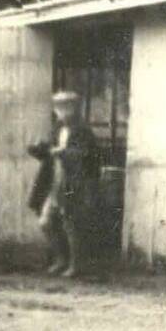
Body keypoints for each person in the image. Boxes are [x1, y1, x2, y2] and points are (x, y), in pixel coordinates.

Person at [27, 90, 101, 278]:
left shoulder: (83, 131)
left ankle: (76, 265)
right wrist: (36, 149)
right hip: (55, 181)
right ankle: (61, 259)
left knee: (71, 224)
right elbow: (48, 153)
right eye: (59, 108)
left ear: (75, 109)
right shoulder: (58, 129)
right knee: (45, 222)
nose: (61, 113)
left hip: (75, 183)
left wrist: (63, 152)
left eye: (66, 108)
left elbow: (86, 155)